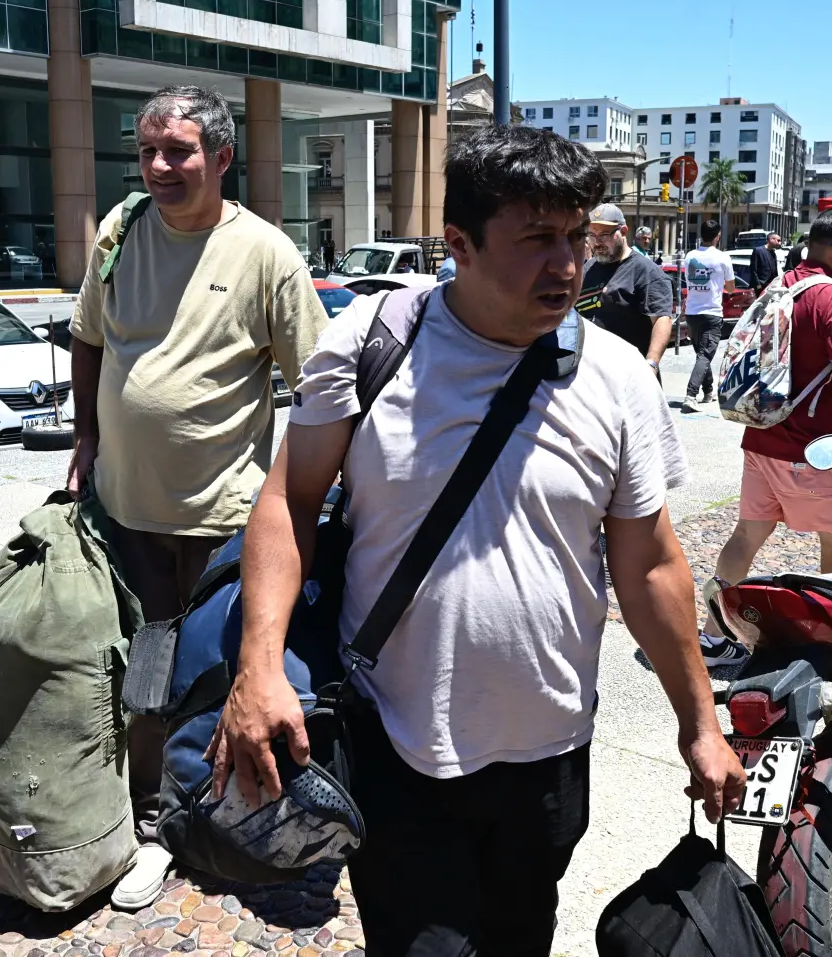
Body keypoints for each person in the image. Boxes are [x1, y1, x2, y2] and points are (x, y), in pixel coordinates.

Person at [208, 123, 745, 956]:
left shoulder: (618, 377)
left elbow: (650, 566)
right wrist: (260, 666)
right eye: (537, 238)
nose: (566, 264)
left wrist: (700, 722)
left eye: (577, 236)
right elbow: (288, 500)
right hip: (395, 742)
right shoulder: (373, 343)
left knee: (522, 937)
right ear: (458, 243)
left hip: (550, 752)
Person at [67, 85, 327, 910]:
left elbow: (320, 387)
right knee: (143, 682)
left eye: (176, 151)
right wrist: (84, 438)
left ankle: (225, 819)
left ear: (220, 157)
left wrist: (306, 492)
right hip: (126, 514)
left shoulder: (266, 254)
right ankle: (155, 826)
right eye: (146, 151)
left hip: (224, 526)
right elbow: (87, 338)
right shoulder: (121, 230)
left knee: (216, 681)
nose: (157, 167)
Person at [706, 207, 832, 644]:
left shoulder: (782, 285)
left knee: (746, 535)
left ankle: (714, 636)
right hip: (812, 449)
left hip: (762, 437)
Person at [578, 202, 674, 365]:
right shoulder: (588, 268)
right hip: (590, 368)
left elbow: (661, 319)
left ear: (623, 231)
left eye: (604, 235)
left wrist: (651, 363)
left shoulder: (646, 271)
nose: (597, 242)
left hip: (629, 369)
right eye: (592, 235)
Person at [681, 219, 735, 411]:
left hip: (692, 312)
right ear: (718, 236)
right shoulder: (722, 258)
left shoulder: (690, 256)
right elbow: (731, 288)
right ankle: (691, 395)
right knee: (705, 355)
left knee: (702, 354)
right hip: (712, 312)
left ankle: (708, 391)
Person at [749, 230, 779, 296]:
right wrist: (758, 284)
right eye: (778, 240)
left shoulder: (773, 253)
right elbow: (753, 269)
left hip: (771, 285)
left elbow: (775, 270)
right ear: (771, 239)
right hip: (761, 286)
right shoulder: (758, 251)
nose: (779, 243)